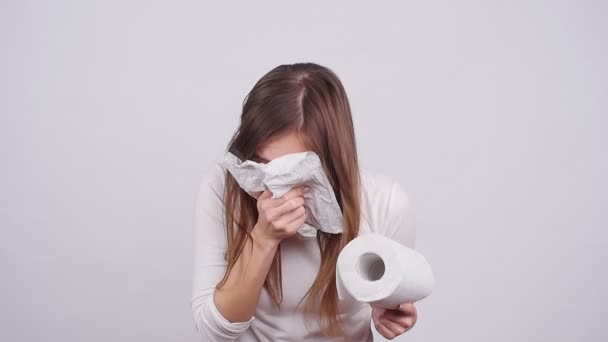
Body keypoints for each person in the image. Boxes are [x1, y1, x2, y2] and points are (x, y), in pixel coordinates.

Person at [191, 63, 418, 341]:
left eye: (293, 171)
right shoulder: (224, 187)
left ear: (331, 159)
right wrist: (263, 238)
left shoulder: (384, 203)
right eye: (261, 164)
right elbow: (212, 330)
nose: (273, 186)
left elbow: (391, 297)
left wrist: (388, 308)